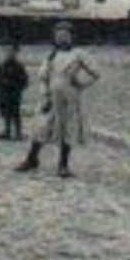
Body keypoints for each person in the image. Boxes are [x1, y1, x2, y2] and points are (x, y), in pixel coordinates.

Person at [17, 22, 99, 178]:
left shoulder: (79, 54)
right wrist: (45, 94)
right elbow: (43, 77)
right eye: (58, 36)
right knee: (41, 127)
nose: (62, 39)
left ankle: (63, 165)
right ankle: (32, 159)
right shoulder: (51, 55)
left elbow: (95, 72)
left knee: (67, 130)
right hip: (50, 97)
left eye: (65, 36)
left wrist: (80, 82)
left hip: (69, 98)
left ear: (71, 37)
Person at [0, 43, 30, 141]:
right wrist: (0, 84)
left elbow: (24, 81)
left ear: (16, 53)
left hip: (14, 94)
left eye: (11, 51)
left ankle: (18, 132)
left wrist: (15, 85)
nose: (9, 53)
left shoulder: (19, 66)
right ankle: (7, 131)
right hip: (4, 94)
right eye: (7, 51)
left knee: (15, 113)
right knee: (5, 113)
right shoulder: (2, 65)